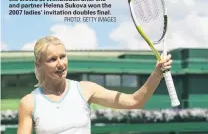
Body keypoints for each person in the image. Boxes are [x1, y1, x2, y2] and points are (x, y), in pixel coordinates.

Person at [17, 36, 173, 134]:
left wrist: (157, 74)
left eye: (63, 56)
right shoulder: (29, 102)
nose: (60, 64)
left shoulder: (85, 89)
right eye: (52, 59)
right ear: (39, 64)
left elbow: (135, 101)